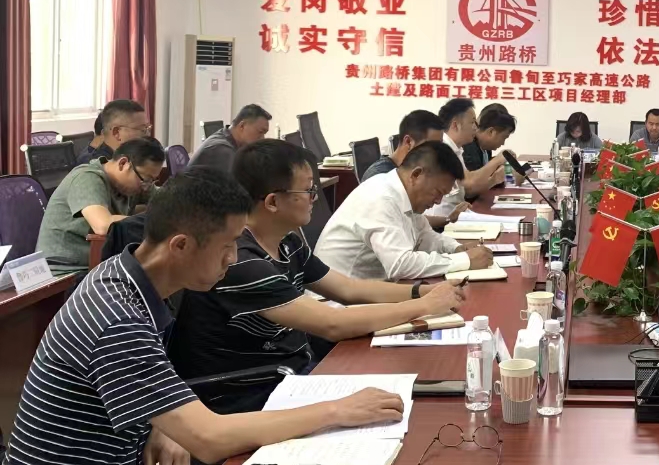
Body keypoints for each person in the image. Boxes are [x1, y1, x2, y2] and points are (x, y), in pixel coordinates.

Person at [0, 168, 405, 465]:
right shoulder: (116, 317)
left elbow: (128, 388)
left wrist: (161, 425)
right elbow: (209, 438)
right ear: (180, 245)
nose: (234, 258)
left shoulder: (130, 279)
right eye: (227, 246)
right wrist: (337, 410)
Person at [169, 140, 466, 413]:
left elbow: (349, 289)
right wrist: (423, 306)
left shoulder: (288, 243)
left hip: (294, 375)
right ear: (272, 202)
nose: (314, 198)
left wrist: (422, 292)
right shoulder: (242, 261)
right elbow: (332, 324)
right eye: (307, 191)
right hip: (250, 394)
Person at [317, 139, 494, 281]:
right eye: (438, 192)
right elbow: (400, 265)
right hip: (340, 304)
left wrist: (457, 249)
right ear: (416, 175)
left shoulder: (402, 193)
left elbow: (425, 236)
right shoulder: (382, 198)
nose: (438, 201)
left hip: (372, 292)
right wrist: (464, 260)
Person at [36, 137, 166, 272]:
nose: (146, 187)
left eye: (151, 181)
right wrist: (155, 221)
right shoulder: (86, 177)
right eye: (146, 180)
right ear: (123, 164)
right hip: (66, 271)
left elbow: (166, 200)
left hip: (101, 264)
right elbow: (103, 225)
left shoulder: (135, 181)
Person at [428, 98, 506, 220]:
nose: (476, 128)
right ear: (455, 125)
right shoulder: (443, 148)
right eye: (472, 122)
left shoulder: (457, 149)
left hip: (456, 216)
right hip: (441, 221)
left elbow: (467, 191)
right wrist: (497, 160)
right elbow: (469, 182)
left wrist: (493, 180)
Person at [362, 109, 445, 182]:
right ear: (408, 142)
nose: (437, 152)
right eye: (432, 146)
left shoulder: (410, 172)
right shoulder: (381, 177)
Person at [188, 104, 272, 174]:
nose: (262, 138)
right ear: (242, 126)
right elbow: (237, 185)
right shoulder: (222, 150)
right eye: (260, 132)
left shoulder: (226, 137)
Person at [75, 98, 150, 165]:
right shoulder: (99, 168)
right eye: (142, 130)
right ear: (117, 133)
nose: (148, 135)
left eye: (148, 128)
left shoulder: (128, 159)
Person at [463, 104, 517, 171]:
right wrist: (497, 161)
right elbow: (477, 177)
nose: (503, 143)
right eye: (504, 138)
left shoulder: (486, 146)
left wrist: (502, 161)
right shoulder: (469, 149)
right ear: (491, 131)